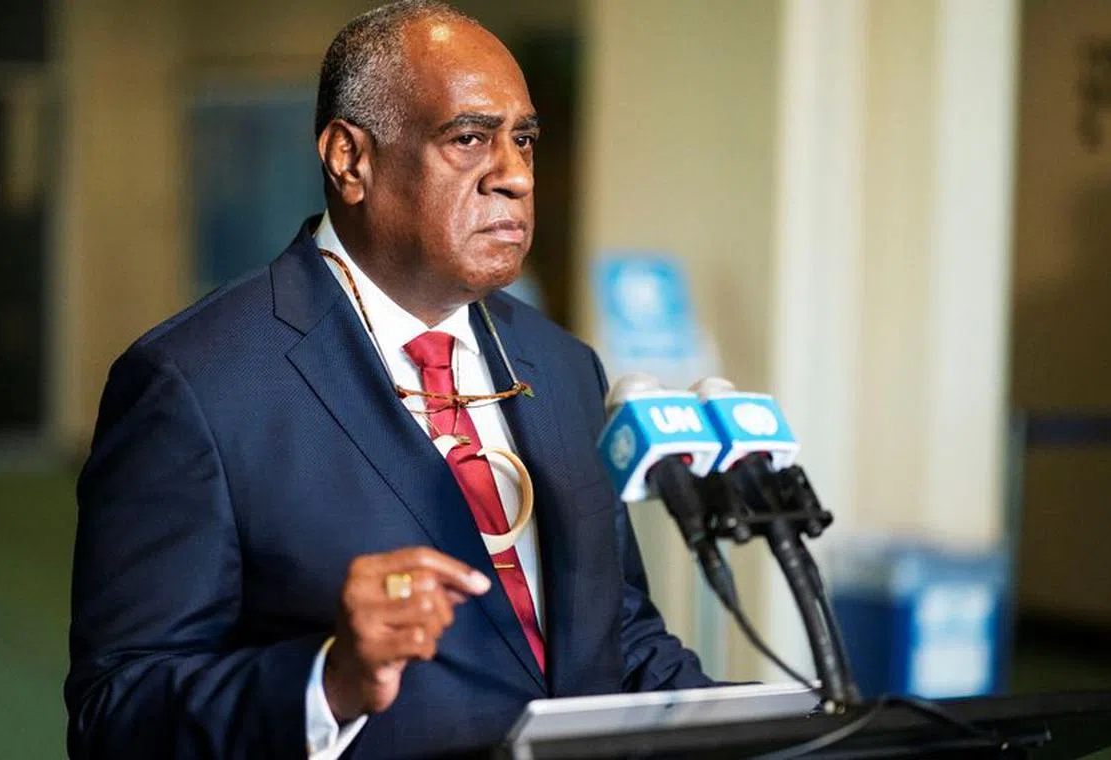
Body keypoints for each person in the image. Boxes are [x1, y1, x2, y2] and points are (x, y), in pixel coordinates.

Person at [65, 2, 713, 758]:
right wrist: (327, 681)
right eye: (469, 138)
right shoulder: (195, 384)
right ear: (350, 160)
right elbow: (119, 714)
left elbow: (619, 637)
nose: (514, 176)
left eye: (524, 140)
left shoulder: (564, 366)